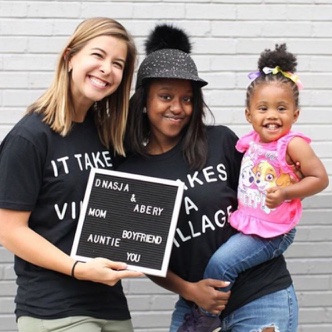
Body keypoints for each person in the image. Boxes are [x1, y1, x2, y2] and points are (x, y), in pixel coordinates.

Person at [118, 24, 302, 332]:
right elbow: (146, 255)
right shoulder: (132, 169)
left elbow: (267, 188)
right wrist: (190, 291)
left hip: (260, 296)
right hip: (196, 304)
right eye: (165, 96)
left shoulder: (219, 142)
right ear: (144, 100)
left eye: (187, 99)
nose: (177, 108)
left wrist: (292, 177)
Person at [0, 17, 143, 332]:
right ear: (69, 58)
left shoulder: (109, 136)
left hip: (110, 302)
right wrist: (79, 269)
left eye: (118, 63)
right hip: (53, 307)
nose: (107, 68)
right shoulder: (30, 137)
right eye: (98, 55)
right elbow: (9, 230)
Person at [177, 43, 330, 331]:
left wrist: (287, 192)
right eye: (263, 108)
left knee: (221, 263)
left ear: (295, 115)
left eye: (281, 108)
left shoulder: (292, 144)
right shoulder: (250, 142)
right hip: (251, 224)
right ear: (249, 115)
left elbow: (320, 178)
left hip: (274, 231)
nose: (272, 115)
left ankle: (206, 318)